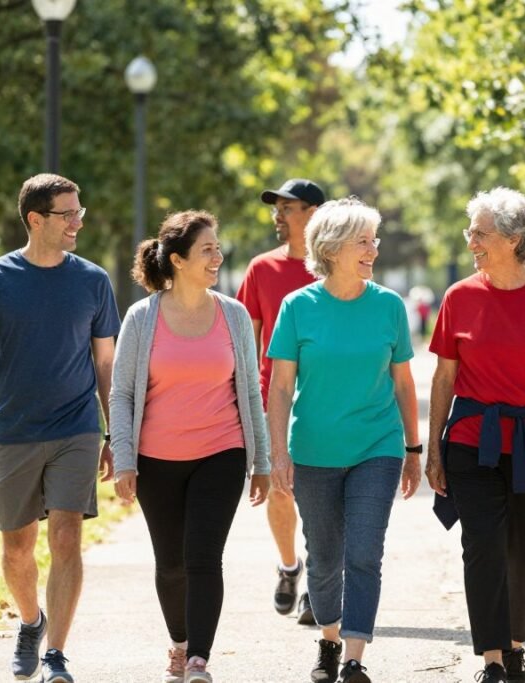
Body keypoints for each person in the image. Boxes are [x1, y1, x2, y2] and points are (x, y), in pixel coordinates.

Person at [0, 173, 120, 683]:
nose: (77, 222)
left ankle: (56, 654)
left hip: (76, 428)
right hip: (15, 430)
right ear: (35, 219)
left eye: (80, 212)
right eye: (67, 214)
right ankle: (31, 621)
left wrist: (116, 433)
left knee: (67, 535)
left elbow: (105, 365)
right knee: (17, 547)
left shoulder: (93, 280)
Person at [425, 187, 525, 683]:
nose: (470, 240)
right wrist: (433, 446)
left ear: (514, 240)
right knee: (482, 545)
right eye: (470, 230)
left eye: (480, 232)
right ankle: (493, 660)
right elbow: (444, 378)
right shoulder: (459, 296)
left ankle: (516, 642)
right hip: (472, 442)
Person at [110, 210, 271, 683]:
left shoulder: (233, 314)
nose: (217, 256)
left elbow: (249, 389)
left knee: (203, 557)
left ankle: (198, 658)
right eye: (207, 249)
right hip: (155, 459)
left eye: (218, 247)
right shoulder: (143, 317)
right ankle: (178, 644)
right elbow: (121, 393)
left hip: (222, 451)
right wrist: (123, 459)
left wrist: (259, 460)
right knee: (171, 563)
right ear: (178, 260)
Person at [267, 198, 421, 683]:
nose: (373, 249)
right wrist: (278, 452)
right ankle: (330, 641)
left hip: (377, 446)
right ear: (332, 248)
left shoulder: (389, 306)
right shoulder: (298, 307)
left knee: (364, 551)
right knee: (326, 553)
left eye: (373, 240)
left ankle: (355, 656)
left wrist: (414, 450)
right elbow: (280, 387)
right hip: (313, 450)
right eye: (363, 241)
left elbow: (403, 383)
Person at [236, 179, 324, 624]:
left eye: (286, 207)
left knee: (321, 493)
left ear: (311, 213)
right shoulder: (261, 269)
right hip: (275, 398)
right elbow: (246, 339)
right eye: (278, 208)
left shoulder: (338, 267)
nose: (278, 215)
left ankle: (317, 585)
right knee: (278, 489)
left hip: (327, 399)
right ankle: (290, 566)